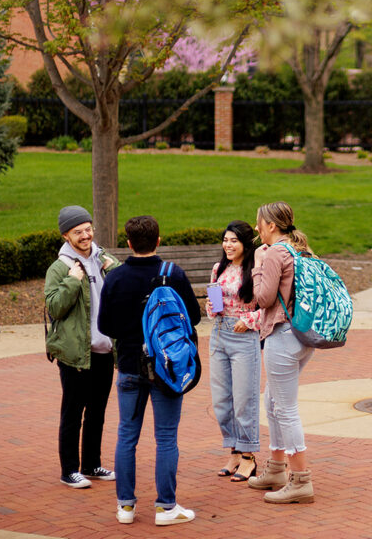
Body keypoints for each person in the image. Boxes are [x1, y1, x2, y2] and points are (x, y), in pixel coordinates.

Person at [97, 214, 201, 526]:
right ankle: (166, 507)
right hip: (167, 367)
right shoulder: (174, 275)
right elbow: (193, 318)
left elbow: (105, 325)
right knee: (166, 437)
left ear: (128, 243)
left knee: (127, 435)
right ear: (158, 240)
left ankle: (125, 507)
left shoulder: (115, 278)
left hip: (129, 365)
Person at [44, 205, 121, 490]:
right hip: (76, 352)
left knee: (97, 411)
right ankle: (69, 470)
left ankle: (91, 464)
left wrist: (111, 269)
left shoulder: (105, 259)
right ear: (66, 235)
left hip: (104, 350)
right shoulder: (60, 268)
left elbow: (121, 291)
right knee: (73, 412)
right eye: (78, 232)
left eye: (88, 229)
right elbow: (54, 307)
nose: (86, 235)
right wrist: (72, 281)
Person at [245, 201, 316, 504]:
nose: (257, 227)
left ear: (271, 226)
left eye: (259, 223)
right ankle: (276, 467)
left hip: (281, 333)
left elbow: (262, 298)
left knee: (285, 408)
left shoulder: (274, 252)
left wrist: (258, 266)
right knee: (272, 400)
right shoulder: (301, 249)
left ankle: (300, 480)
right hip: (303, 336)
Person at [207, 220, 262, 482]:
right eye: (225, 240)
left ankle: (249, 457)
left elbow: (270, 308)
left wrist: (248, 320)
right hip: (218, 335)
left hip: (244, 338)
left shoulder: (256, 271)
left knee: (243, 400)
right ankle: (234, 451)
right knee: (221, 402)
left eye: (234, 241)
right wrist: (211, 306)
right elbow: (214, 306)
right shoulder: (219, 268)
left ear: (245, 244)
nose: (228, 245)